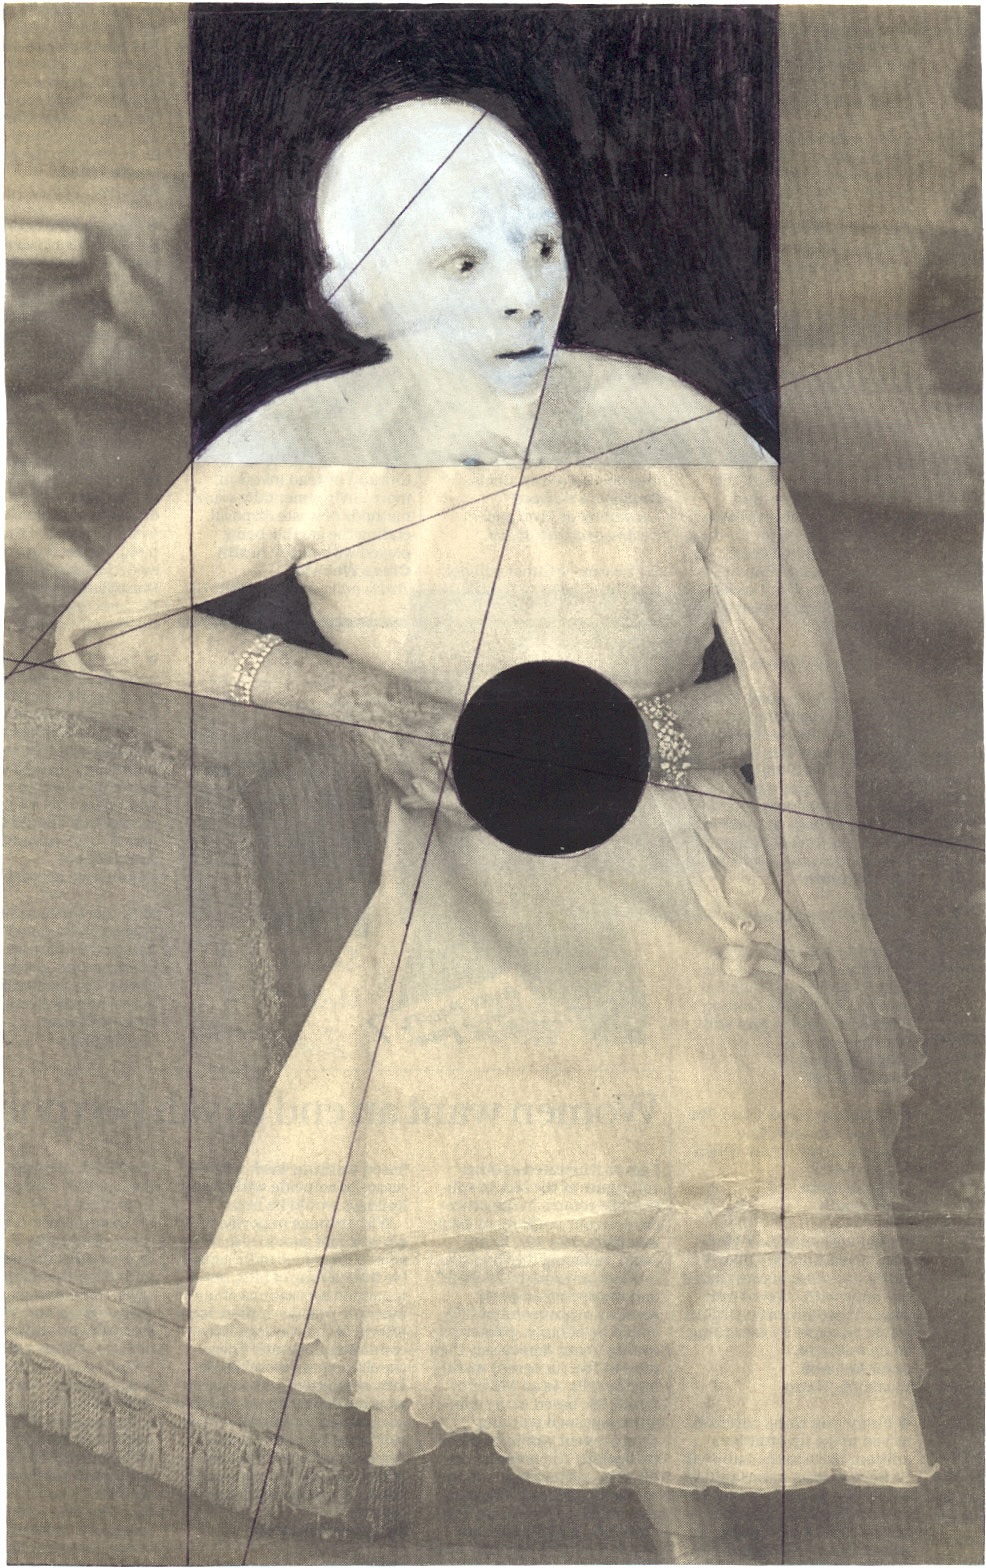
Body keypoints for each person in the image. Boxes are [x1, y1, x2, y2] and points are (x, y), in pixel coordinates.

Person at [54, 97, 934, 1562]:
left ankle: (706, 1509)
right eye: (463, 262)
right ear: (363, 292)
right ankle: (681, 1521)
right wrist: (355, 700)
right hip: (472, 882)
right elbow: (104, 628)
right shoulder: (309, 444)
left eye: (541, 245)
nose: (526, 289)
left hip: (683, 857)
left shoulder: (671, 427)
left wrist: (636, 742)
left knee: (741, 1097)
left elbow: (791, 701)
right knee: (558, 1108)